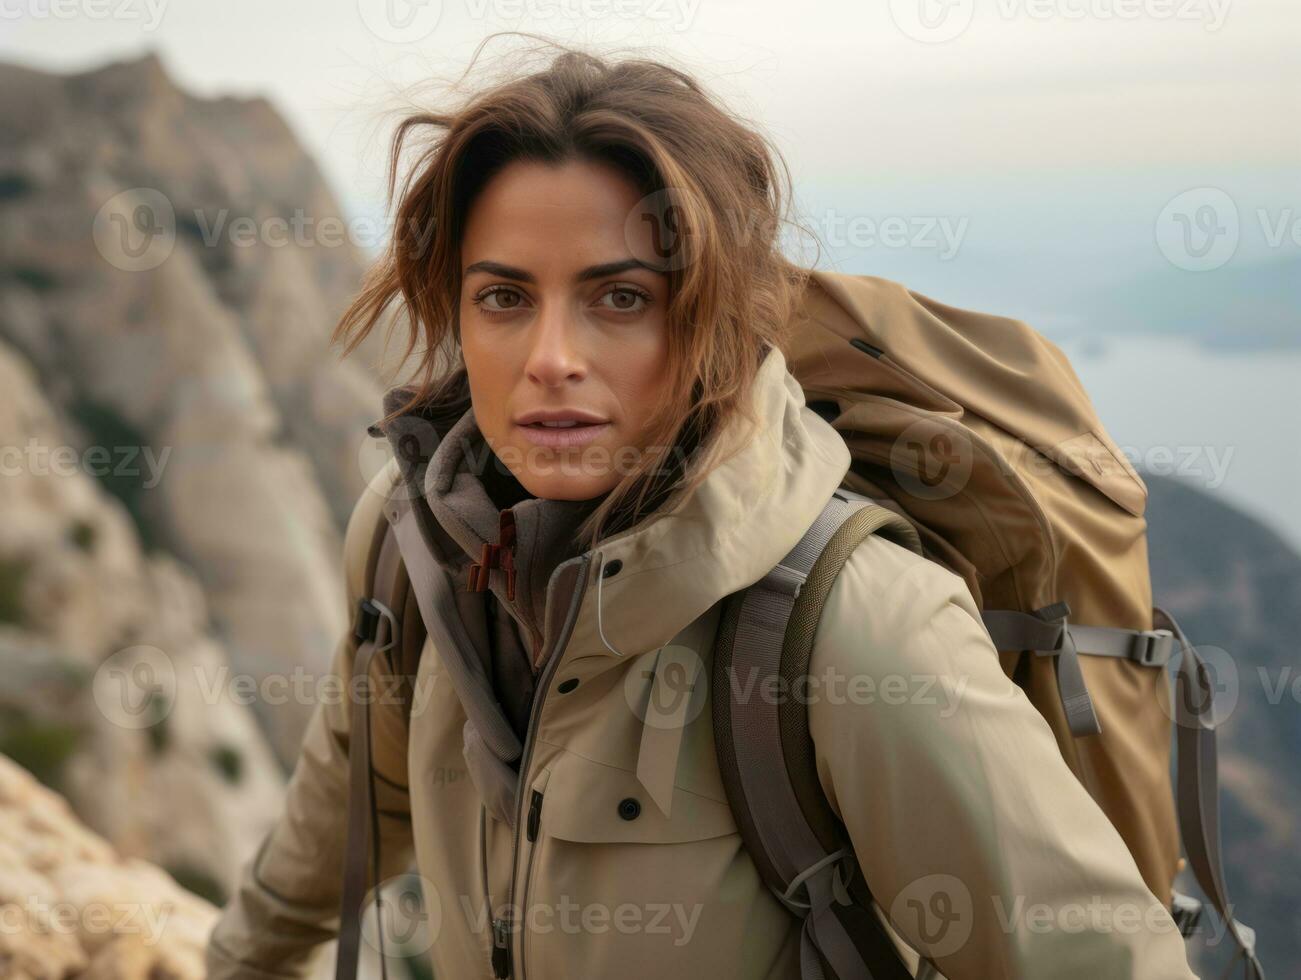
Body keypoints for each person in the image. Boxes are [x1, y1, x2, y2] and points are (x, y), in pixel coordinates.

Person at [205, 37, 1200, 980]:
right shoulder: (409, 545)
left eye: (620, 297)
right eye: (504, 297)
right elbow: (347, 809)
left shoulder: (854, 623)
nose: (550, 356)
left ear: (712, 316)